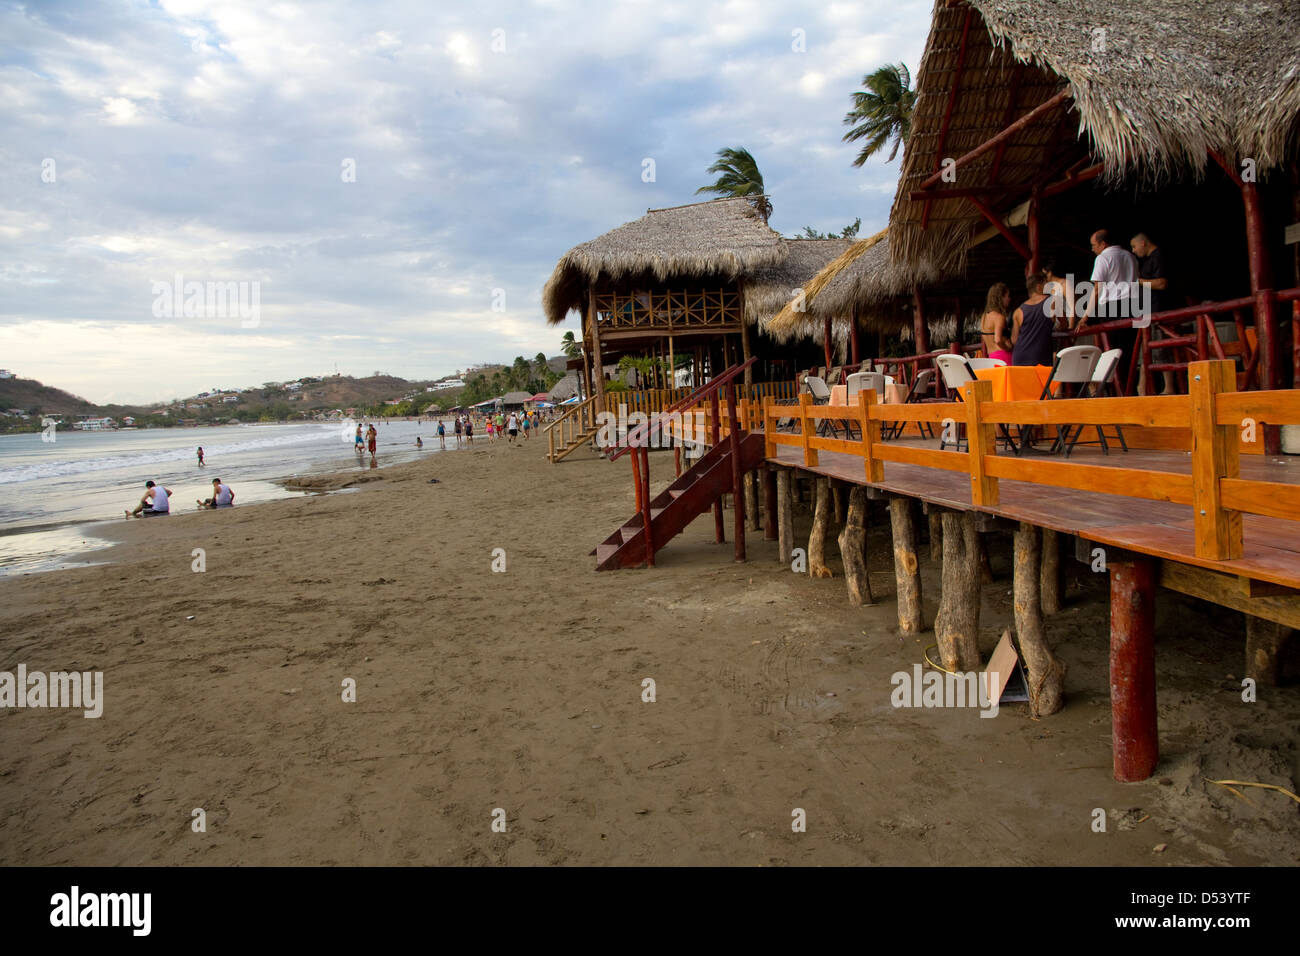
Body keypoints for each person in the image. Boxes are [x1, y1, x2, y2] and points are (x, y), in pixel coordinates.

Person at [1079, 229, 1140, 385]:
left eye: (1094, 245)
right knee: (1130, 350)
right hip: (1132, 305)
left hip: (1112, 306)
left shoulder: (1103, 258)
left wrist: (1085, 316)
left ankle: (1118, 390)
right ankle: (1129, 388)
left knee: (1113, 351)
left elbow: (1097, 289)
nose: (1092, 249)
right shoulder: (1130, 256)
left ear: (1103, 243)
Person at [1131, 232, 1177, 394]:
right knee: (1146, 349)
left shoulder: (1158, 256)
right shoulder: (1148, 260)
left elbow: (1162, 283)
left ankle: (1168, 388)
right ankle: (1142, 387)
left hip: (1158, 311)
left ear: (1143, 243)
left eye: (1134, 246)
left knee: (1161, 348)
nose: (1134, 251)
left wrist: (1139, 282)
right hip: (1147, 311)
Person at [1010, 271, 1057, 368]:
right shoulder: (1052, 301)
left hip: (1019, 357)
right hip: (1040, 356)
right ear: (1039, 286)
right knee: (1044, 383)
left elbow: (1014, 340)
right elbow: (1065, 324)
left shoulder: (1018, 312)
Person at [979, 282, 1014, 364]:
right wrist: (1007, 348)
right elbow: (997, 340)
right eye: (1007, 296)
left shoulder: (984, 317)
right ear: (1001, 297)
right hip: (1004, 356)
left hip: (992, 356)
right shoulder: (999, 317)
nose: (1009, 299)